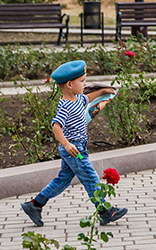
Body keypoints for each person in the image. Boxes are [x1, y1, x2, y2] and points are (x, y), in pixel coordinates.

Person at [20, 60, 127, 228]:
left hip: (79, 146)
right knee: (91, 178)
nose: (85, 84)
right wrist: (66, 144)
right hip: (74, 150)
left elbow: (88, 98)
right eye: (82, 81)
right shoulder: (65, 106)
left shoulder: (78, 99)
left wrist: (103, 91)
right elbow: (56, 127)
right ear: (70, 84)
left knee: (62, 180)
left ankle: (35, 205)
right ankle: (104, 212)